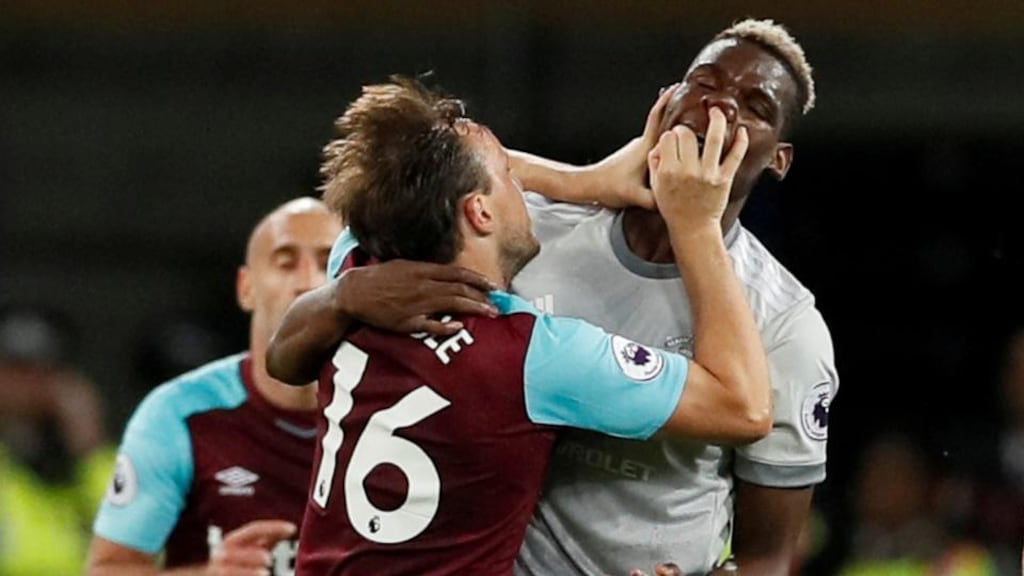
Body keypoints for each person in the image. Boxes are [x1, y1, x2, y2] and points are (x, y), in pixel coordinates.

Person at [270, 18, 839, 576]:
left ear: (778, 159)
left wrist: (586, 182)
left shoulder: (787, 326)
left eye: (755, 107)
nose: (720, 110)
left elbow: (768, 558)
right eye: (706, 83)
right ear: (665, 102)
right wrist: (618, 197)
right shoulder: (525, 269)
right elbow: (741, 407)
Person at [86, 197, 342, 575]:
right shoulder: (179, 414)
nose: (307, 282)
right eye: (285, 262)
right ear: (246, 288)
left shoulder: (403, 408)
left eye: (327, 263)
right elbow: (107, 570)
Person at [0, 306, 115, 576]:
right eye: (15, 368)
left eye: (45, 370)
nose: (29, 385)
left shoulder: (91, 467)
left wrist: (88, 446)